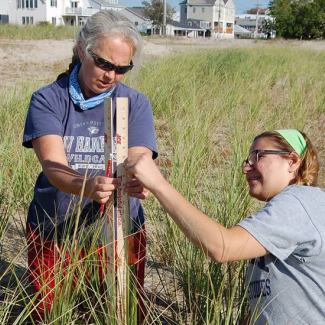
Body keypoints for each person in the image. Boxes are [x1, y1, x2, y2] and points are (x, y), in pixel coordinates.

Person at [23, 10, 157, 323]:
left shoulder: (136, 103)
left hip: (120, 230)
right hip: (54, 229)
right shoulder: (48, 99)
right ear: (83, 49)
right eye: (104, 63)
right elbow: (54, 167)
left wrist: (142, 177)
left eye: (122, 69)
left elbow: (139, 157)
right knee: (50, 312)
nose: (111, 75)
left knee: (120, 312)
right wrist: (88, 185)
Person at [125, 129, 325, 324]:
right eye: (247, 160)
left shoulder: (300, 201)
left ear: (292, 161)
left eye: (258, 156)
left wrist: (158, 184)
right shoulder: (294, 208)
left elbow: (222, 247)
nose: (246, 168)